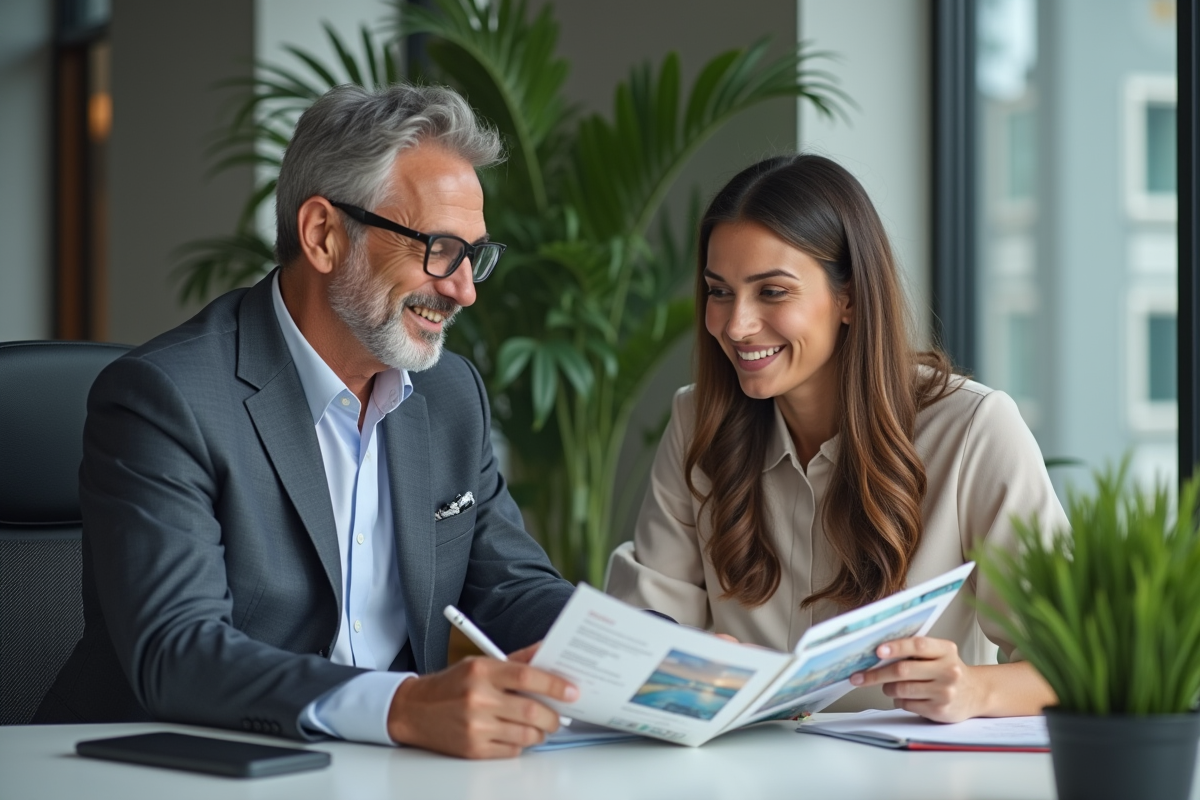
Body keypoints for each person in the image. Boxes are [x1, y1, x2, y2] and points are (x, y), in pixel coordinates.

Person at [36, 84, 578, 759]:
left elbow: (512, 588)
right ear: (323, 235)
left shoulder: (449, 395)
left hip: (380, 770)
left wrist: (655, 652)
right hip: (175, 770)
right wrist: (401, 705)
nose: (464, 289)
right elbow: (179, 651)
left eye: (473, 257)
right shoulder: (166, 397)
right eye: (439, 248)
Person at [606, 154, 1065, 722]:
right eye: (719, 292)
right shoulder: (697, 420)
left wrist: (973, 689)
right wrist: (677, 658)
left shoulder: (973, 429)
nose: (735, 324)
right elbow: (643, 627)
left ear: (848, 298)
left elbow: (1074, 661)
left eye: (772, 292)